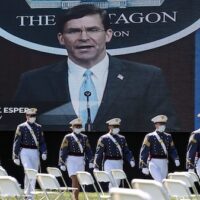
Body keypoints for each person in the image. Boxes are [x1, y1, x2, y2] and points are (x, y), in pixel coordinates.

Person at [14, 4, 179, 132]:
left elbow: (167, 131)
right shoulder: (34, 81)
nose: (84, 37)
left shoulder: (146, 78)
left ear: (108, 34)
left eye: (93, 30)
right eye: (74, 31)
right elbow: (16, 133)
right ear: (61, 38)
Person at [12, 108, 47, 200]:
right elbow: (17, 142)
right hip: (25, 151)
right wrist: (15, 156)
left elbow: (42, 142)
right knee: (29, 171)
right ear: (26, 116)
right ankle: (28, 195)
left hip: (35, 151)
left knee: (33, 174)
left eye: (34, 116)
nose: (32, 117)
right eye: (31, 116)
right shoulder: (21, 127)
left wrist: (44, 152)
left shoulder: (39, 127)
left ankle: (29, 195)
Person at [93, 118, 135, 188]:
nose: (116, 128)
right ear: (109, 127)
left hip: (119, 162)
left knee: (117, 183)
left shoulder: (122, 138)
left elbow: (126, 151)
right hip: (109, 162)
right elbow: (99, 153)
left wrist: (131, 159)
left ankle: (113, 196)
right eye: (114, 126)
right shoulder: (104, 138)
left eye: (117, 126)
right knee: (112, 181)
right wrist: (96, 165)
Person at [58, 118, 94, 200]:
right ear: (72, 127)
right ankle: (75, 198)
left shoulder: (85, 137)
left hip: (81, 160)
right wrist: (62, 162)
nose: (78, 128)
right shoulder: (68, 137)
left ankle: (75, 197)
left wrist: (91, 160)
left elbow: (88, 150)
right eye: (76, 126)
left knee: (78, 181)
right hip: (71, 160)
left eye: (79, 126)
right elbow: (63, 150)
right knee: (74, 179)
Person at [139, 114, 180, 182]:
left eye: (164, 124)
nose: (162, 126)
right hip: (153, 162)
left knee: (163, 182)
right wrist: (143, 165)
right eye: (160, 124)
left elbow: (172, 149)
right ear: (156, 125)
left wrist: (176, 158)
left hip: (164, 162)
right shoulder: (150, 136)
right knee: (159, 180)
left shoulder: (168, 136)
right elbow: (144, 151)